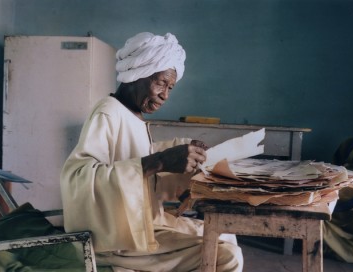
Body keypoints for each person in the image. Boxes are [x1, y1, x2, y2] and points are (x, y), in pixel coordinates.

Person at [60, 32, 243, 272]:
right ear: (136, 75)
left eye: (170, 87)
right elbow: (79, 178)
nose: (165, 95)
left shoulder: (132, 115)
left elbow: (132, 157)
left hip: (145, 221)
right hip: (116, 238)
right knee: (225, 256)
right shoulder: (108, 112)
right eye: (160, 83)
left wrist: (183, 154)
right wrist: (159, 161)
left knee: (226, 234)